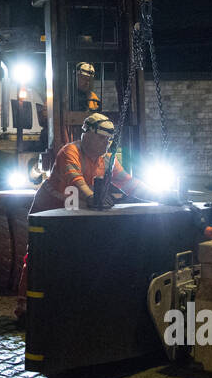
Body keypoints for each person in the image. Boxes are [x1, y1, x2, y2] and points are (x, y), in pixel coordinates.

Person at [15, 113, 147, 325]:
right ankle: (25, 308)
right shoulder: (69, 152)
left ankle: (67, 304)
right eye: (102, 138)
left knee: (77, 254)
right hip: (48, 210)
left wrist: (163, 195)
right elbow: (75, 180)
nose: (107, 143)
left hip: (73, 209)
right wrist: (92, 198)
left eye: (109, 140)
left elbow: (129, 183)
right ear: (87, 135)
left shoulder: (105, 160)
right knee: (38, 256)